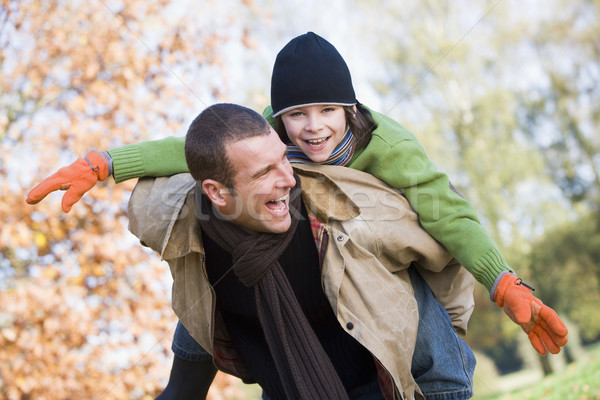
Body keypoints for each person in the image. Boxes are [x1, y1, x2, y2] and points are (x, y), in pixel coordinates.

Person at [26, 32, 568, 396]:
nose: (313, 128)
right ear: (277, 118)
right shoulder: (269, 137)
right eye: (296, 115)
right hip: (303, 248)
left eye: (328, 110)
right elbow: (193, 149)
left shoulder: (386, 145)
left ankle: (441, 379)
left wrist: (502, 281)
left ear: (349, 109)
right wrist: (106, 163)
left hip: (382, 253)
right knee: (211, 242)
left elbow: (448, 212)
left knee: (414, 277)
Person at [127, 102, 478, 399]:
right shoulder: (203, 261)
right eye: (265, 172)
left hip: (383, 387)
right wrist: (110, 162)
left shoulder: (346, 227)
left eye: (283, 158)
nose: (289, 178)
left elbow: (442, 363)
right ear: (217, 194)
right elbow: (182, 390)